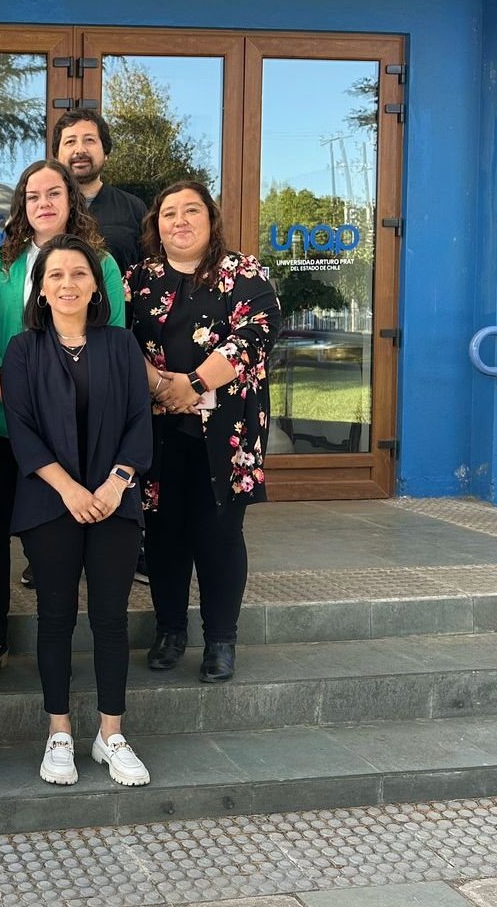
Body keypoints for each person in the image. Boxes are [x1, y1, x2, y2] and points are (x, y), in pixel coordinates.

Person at [2, 234, 153, 788]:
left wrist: (116, 483)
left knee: (111, 617)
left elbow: (139, 418)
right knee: (56, 617)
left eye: (79, 274)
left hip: (116, 501)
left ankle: (110, 733)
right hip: (50, 503)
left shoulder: (121, 344)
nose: (68, 284)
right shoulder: (23, 350)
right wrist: (68, 489)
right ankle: (59, 732)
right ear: (41, 290)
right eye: (56, 275)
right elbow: (21, 429)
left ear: (96, 286)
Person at [126, 181, 281, 684]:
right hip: (157, 428)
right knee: (163, 537)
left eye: (191, 210)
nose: (180, 221)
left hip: (226, 433)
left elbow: (255, 334)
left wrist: (192, 384)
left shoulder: (243, 272)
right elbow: (121, 340)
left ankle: (221, 641)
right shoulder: (138, 279)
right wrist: (162, 387)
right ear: (156, 226)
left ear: (211, 220)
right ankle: (170, 631)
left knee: (219, 536)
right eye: (169, 213)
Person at [0, 159, 127, 639]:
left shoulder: (100, 263)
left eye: (54, 193)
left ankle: (64, 636)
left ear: (71, 200)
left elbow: (113, 338)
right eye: (33, 196)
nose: (43, 203)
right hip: (5, 423)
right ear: (22, 205)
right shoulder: (0, 264)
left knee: (57, 537)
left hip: (77, 433)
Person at [54, 108, 148, 274]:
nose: (80, 150)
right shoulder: (43, 210)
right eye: (70, 142)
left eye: (89, 140)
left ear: (106, 152)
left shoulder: (133, 209)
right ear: (56, 156)